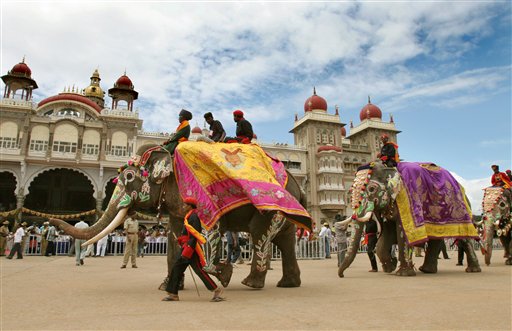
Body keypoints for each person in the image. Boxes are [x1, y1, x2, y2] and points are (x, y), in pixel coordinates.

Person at [163, 197, 224, 302]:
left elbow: (195, 235)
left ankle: (216, 290)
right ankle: (173, 293)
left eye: (185, 204)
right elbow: (187, 234)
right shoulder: (188, 216)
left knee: (196, 270)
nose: (183, 206)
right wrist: (181, 240)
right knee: (178, 268)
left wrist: (187, 248)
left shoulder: (193, 217)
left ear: (190, 206)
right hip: (187, 247)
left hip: (190, 249)